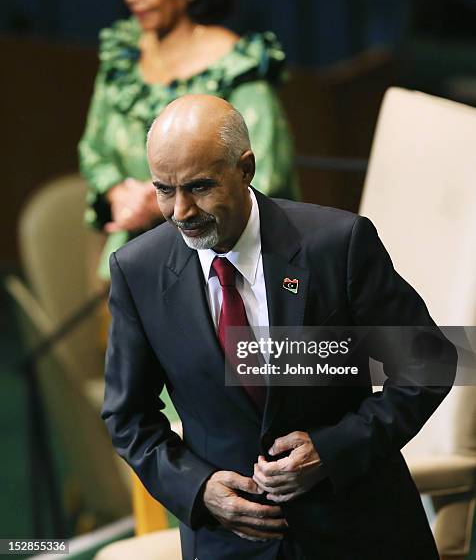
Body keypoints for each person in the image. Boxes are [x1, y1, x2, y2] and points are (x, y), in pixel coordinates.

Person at [102, 95, 457, 559]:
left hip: (359, 533)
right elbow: (128, 416)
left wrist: (332, 449)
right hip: (228, 545)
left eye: (200, 187)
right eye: (165, 190)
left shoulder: (337, 244)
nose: (181, 212)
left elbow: (427, 363)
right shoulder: (138, 271)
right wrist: (199, 489)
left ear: (245, 168)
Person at [78, 0, 299, 279]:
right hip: (134, 258)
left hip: (226, 263)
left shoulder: (237, 67)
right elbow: (93, 150)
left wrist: (161, 203)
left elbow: (264, 173)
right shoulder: (123, 57)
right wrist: (121, 194)